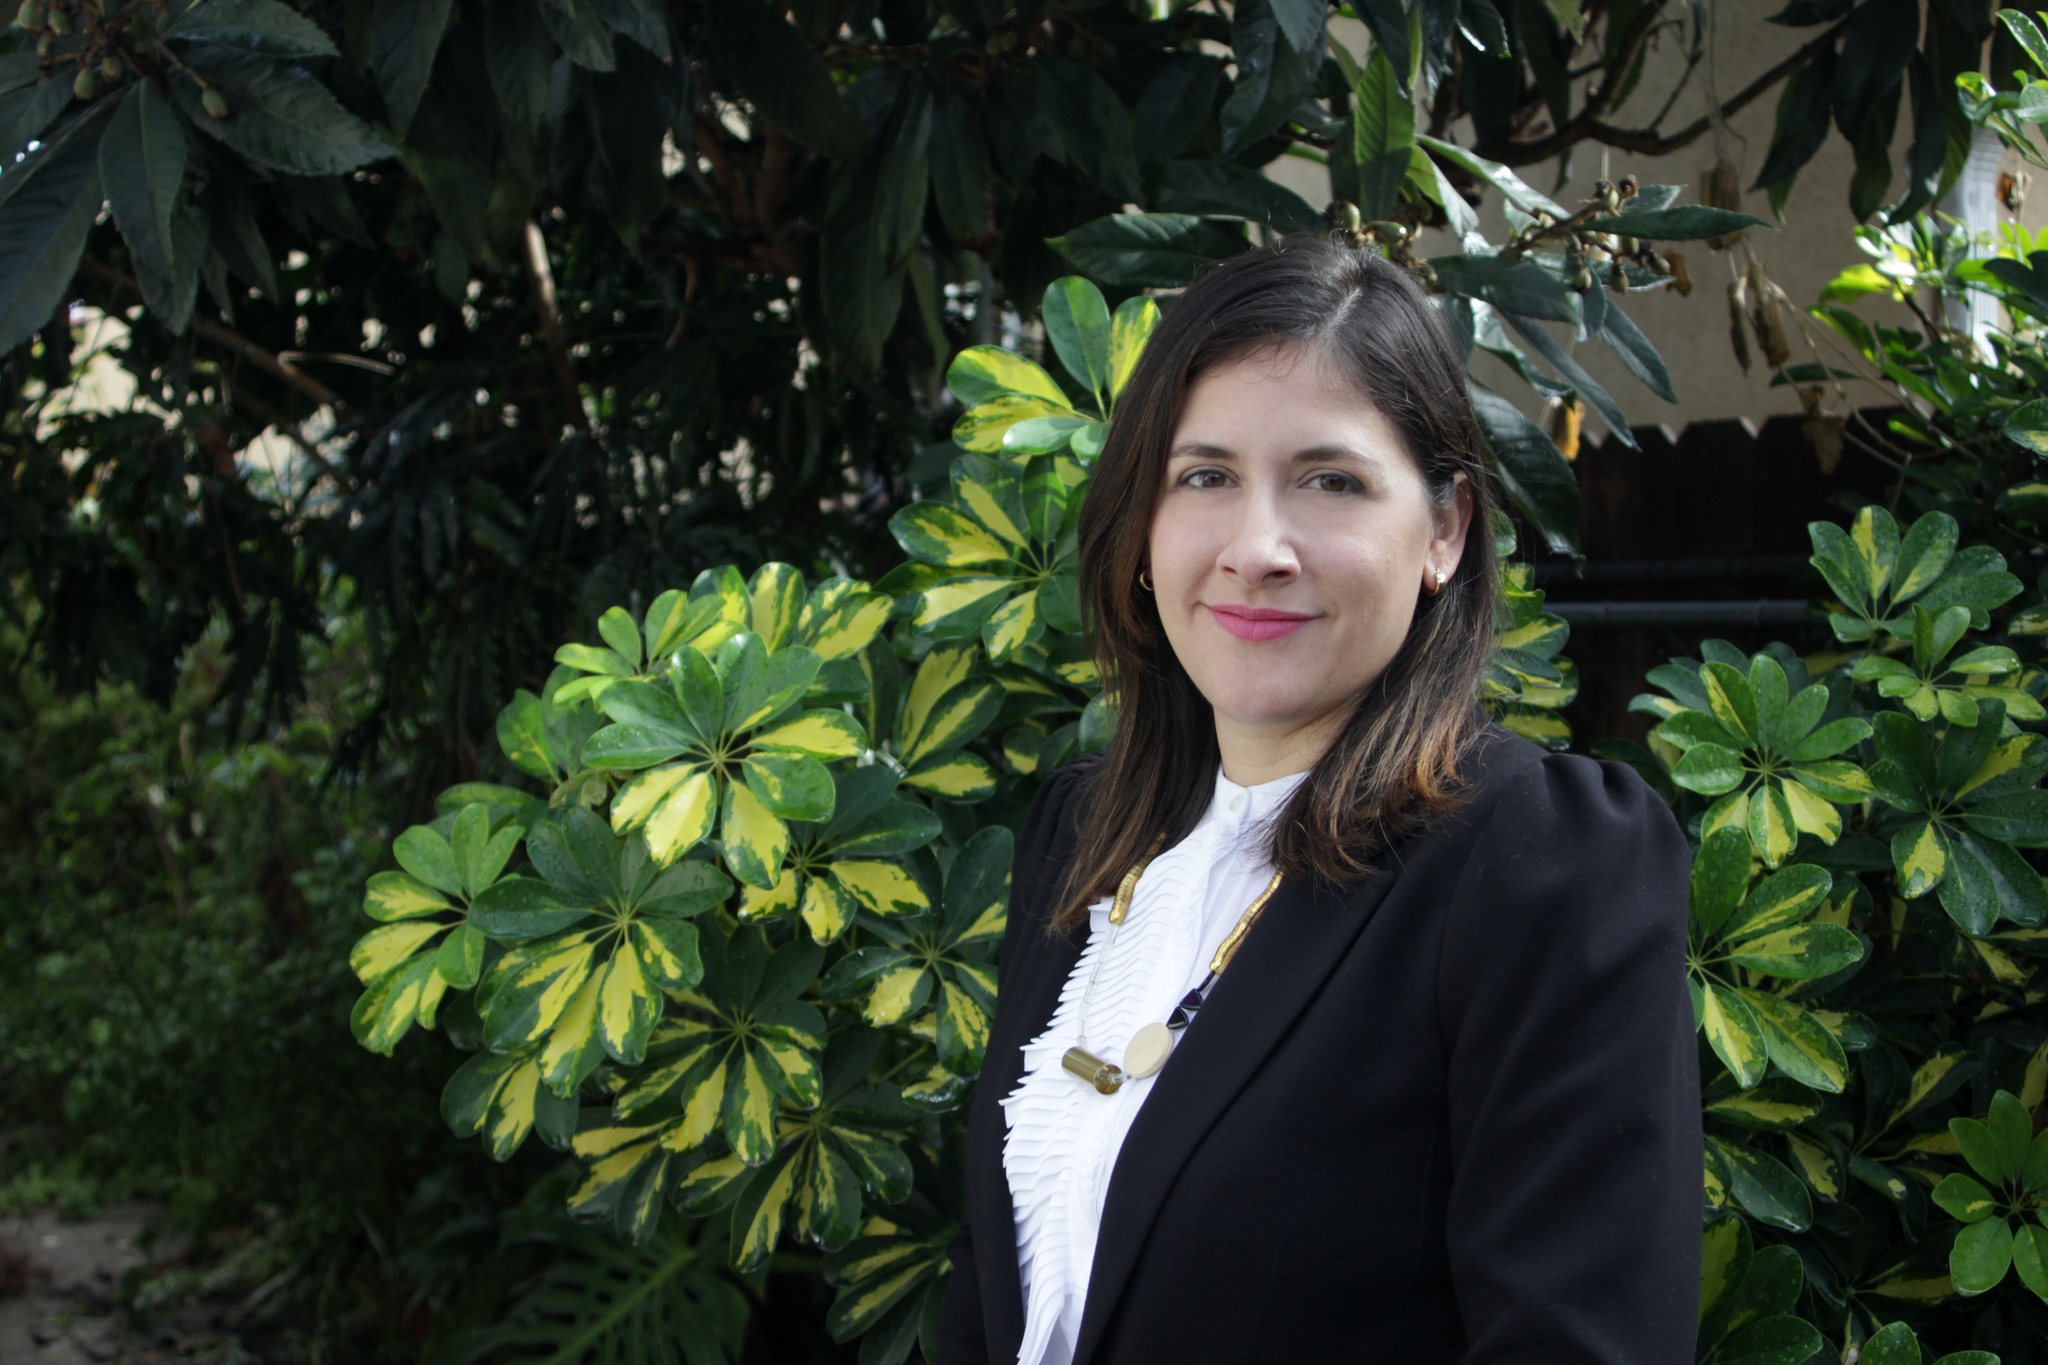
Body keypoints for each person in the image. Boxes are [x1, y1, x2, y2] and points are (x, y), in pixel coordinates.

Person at [935, 238, 1699, 1365]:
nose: (1256, 549)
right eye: (1204, 478)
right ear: (1142, 525)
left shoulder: (1538, 859)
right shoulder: (1084, 834)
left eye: (1329, 481)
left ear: (1443, 530)